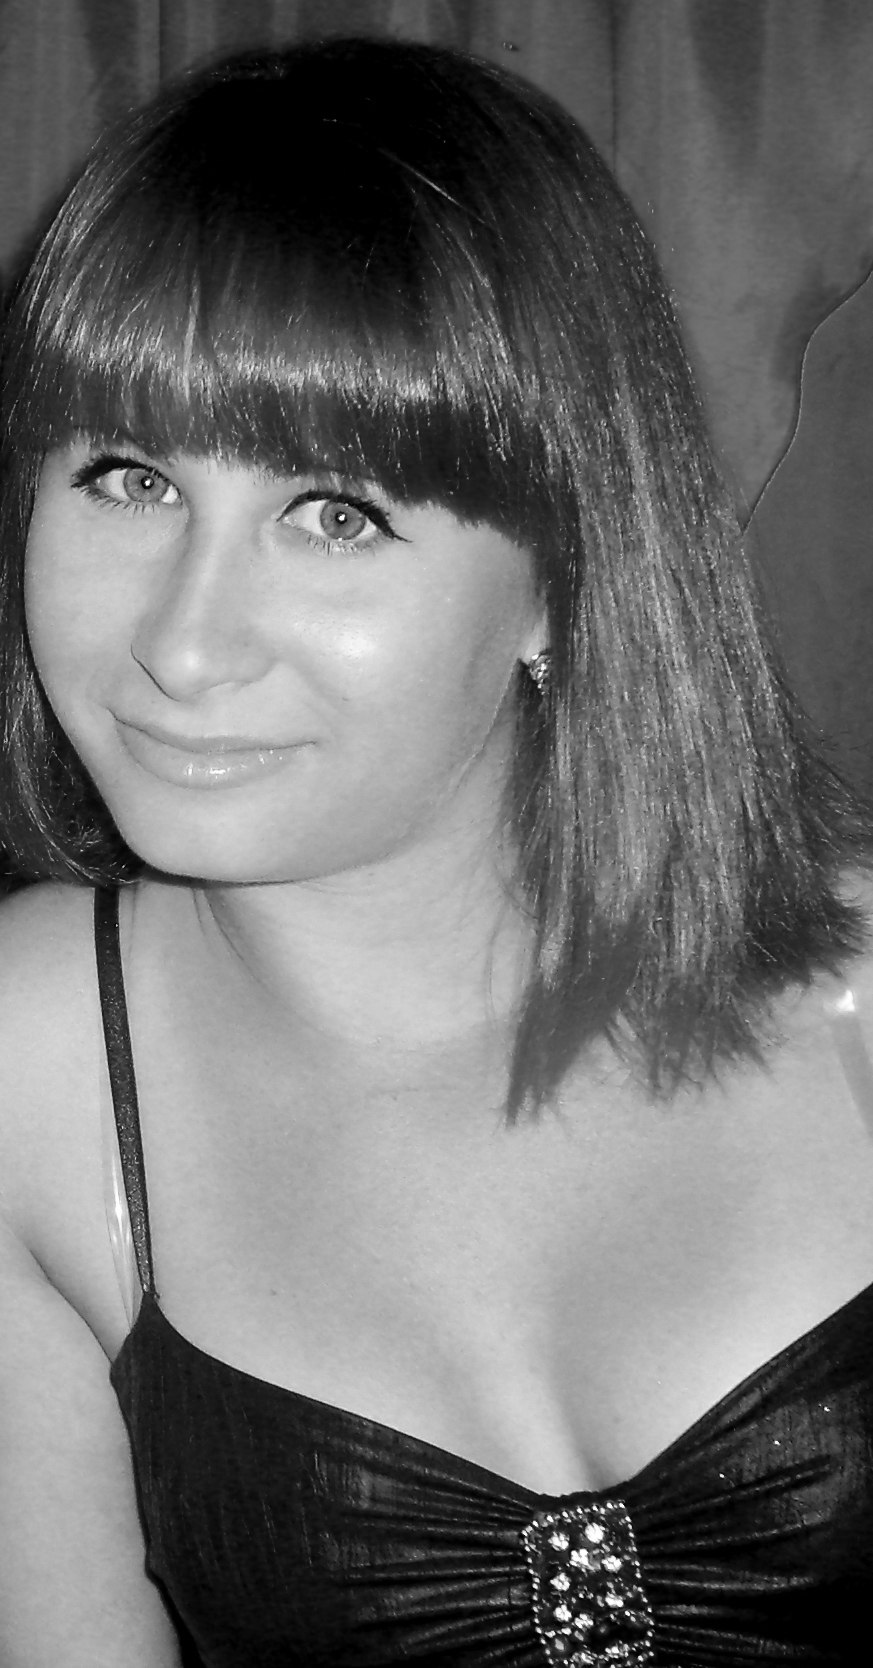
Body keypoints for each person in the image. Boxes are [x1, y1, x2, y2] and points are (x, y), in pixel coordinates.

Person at [0, 34, 872, 1668]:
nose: (184, 644)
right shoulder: (31, 1068)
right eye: (126, 478)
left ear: (563, 572)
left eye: (336, 514)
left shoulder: (855, 1000)